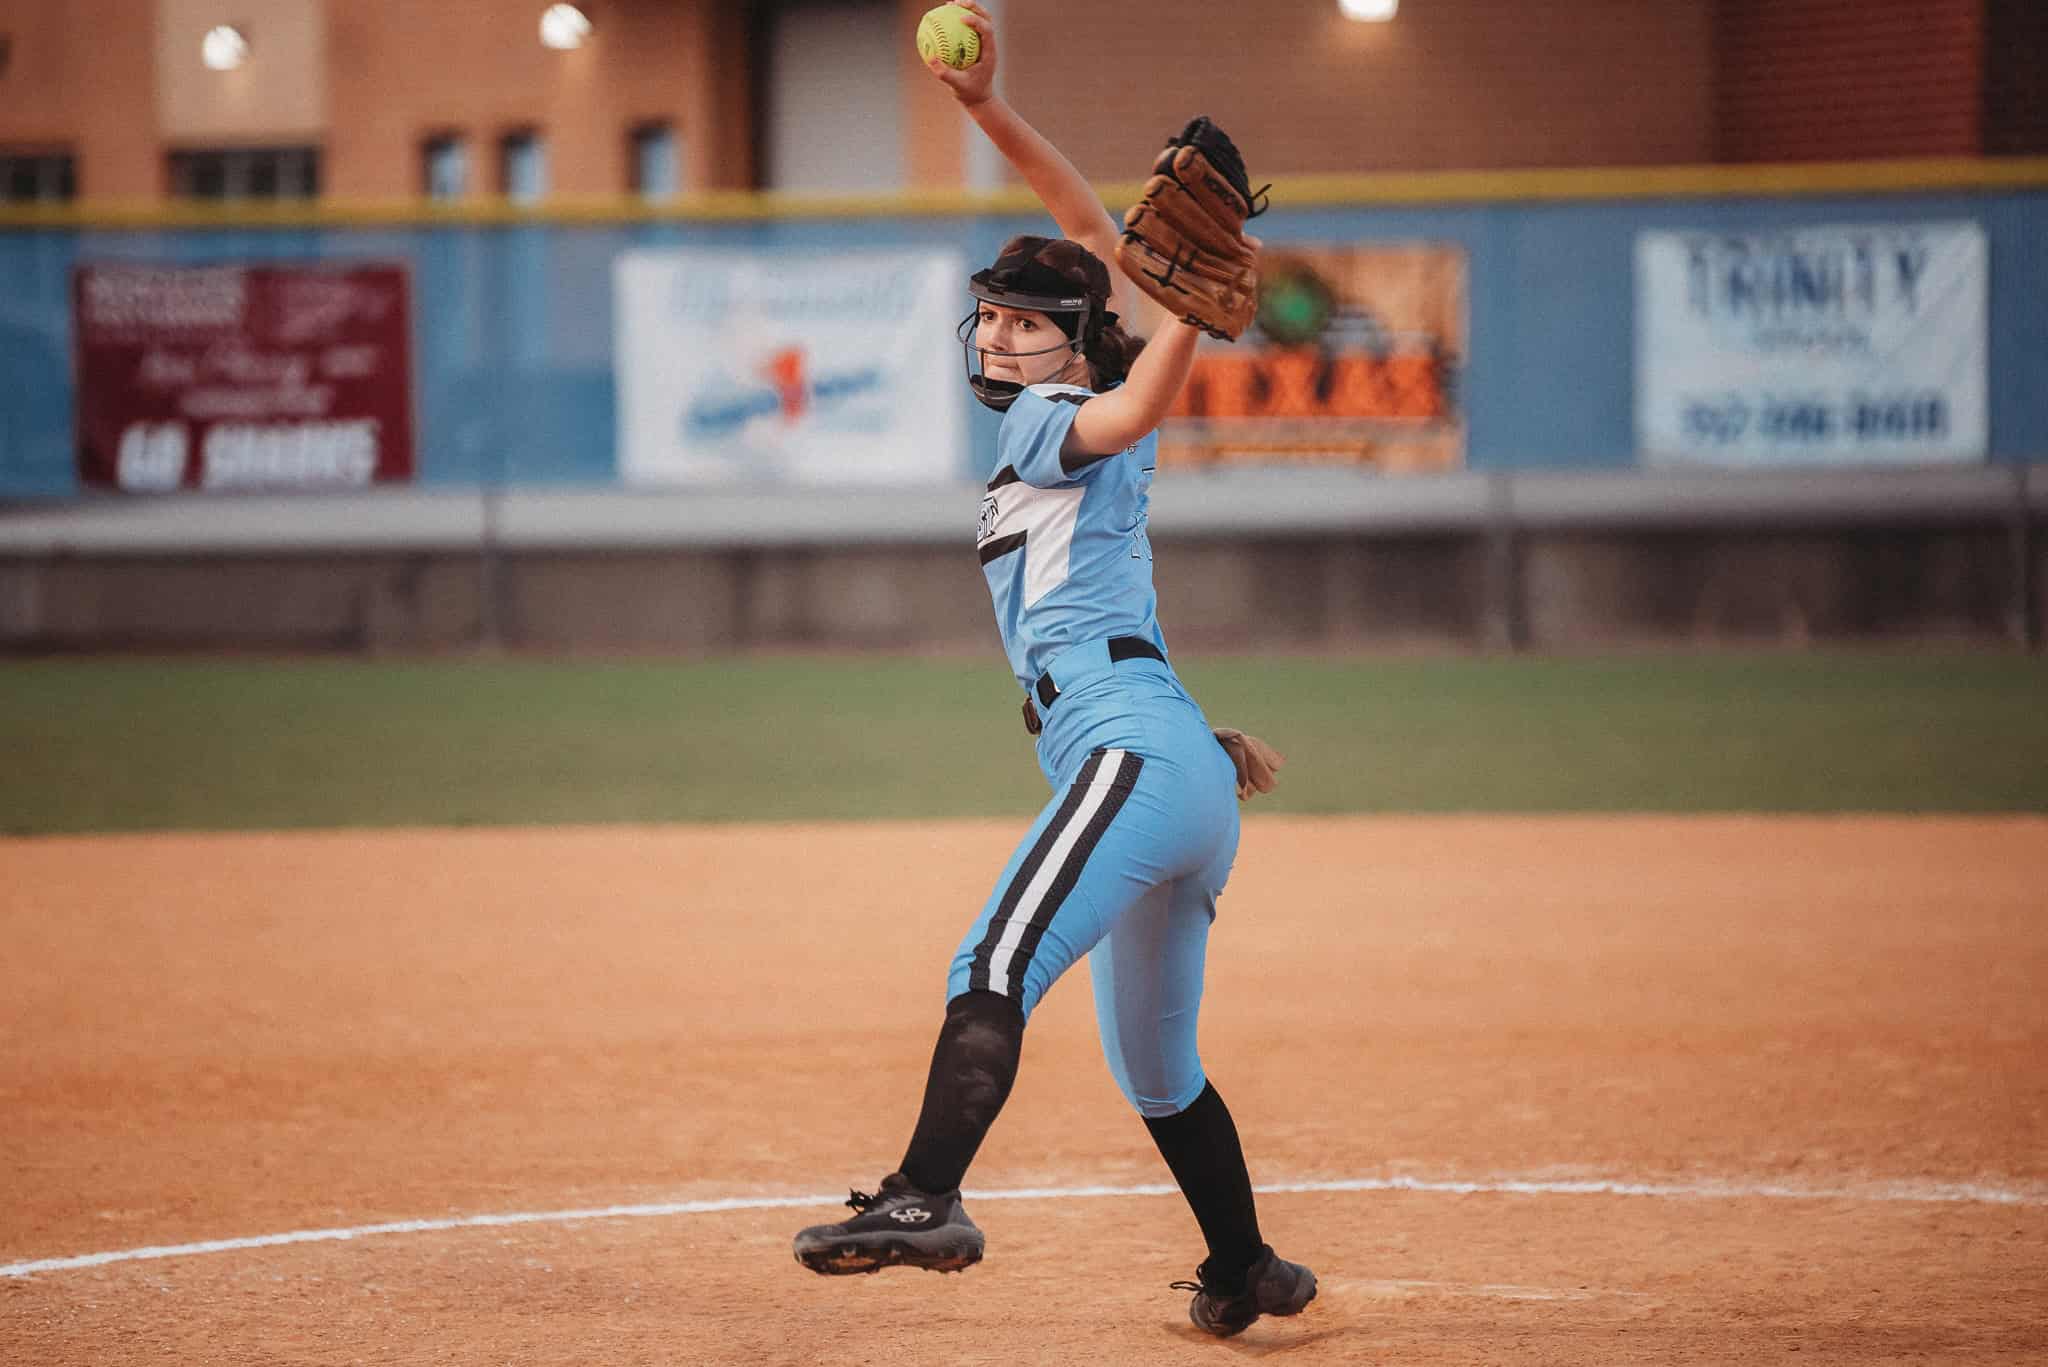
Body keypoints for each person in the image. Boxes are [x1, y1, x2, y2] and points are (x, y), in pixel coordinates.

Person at [792, 1, 1314, 1339]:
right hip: (1181, 773)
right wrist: (984, 115)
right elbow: (1093, 233)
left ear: (1072, 349)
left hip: (1134, 755)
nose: (1004, 340)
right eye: (996, 321)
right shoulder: (1091, 387)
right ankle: (1244, 1267)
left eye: (1030, 325)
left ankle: (923, 1195)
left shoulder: (1058, 415)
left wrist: (1191, 314)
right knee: (1156, 1067)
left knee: (994, 960)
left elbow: (1138, 389)